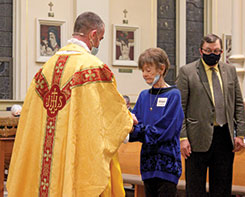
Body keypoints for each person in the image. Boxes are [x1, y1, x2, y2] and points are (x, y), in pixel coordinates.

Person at [7, 12, 137, 197]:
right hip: (74, 160)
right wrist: (128, 120)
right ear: (92, 35)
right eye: (99, 39)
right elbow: (108, 114)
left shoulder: (44, 70)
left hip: (44, 164)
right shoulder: (93, 68)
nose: (98, 44)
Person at [176, 34, 245, 196]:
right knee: (195, 189)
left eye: (216, 50)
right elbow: (180, 108)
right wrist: (183, 137)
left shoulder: (230, 70)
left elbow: (238, 103)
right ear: (201, 51)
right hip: (196, 138)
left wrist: (240, 133)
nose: (212, 54)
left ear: (221, 51)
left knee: (222, 188)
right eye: (208, 50)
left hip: (224, 136)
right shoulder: (187, 72)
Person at [129, 48, 184, 197]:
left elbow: (166, 130)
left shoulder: (174, 95)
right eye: (143, 70)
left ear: (161, 69)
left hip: (167, 164)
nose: (144, 74)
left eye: (148, 70)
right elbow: (131, 123)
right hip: (148, 163)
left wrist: (137, 130)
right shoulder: (143, 95)